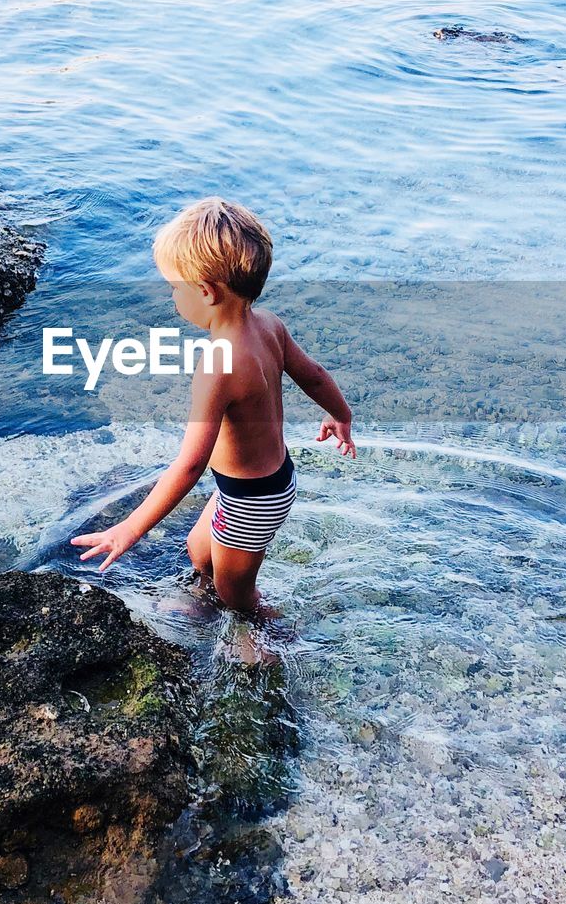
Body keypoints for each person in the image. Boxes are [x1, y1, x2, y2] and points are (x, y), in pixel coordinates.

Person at [72, 197, 356, 613]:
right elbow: (312, 373)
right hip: (267, 481)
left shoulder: (216, 367)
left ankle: (270, 639)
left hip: (250, 501)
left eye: (174, 288)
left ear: (205, 291)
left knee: (235, 595)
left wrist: (130, 529)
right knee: (197, 551)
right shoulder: (269, 325)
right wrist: (341, 415)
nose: (173, 298)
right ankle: (212, 599)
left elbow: (190, 464)